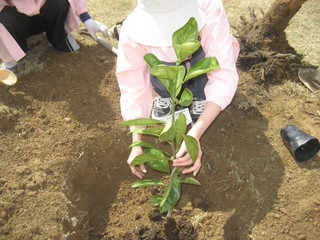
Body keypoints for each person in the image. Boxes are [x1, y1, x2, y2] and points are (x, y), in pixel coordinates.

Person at [116, 0, 240, 179]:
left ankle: (200, 95)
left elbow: (223, 73)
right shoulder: (131, 30)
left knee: (205, 63)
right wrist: (137, 143)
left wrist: (195, 135)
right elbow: (132, 85)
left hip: (200, 58)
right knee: (158, 66)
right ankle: (167, 94)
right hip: (168, 68)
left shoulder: (209, 8)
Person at [0, 0, 108, 71]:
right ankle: (11, 56)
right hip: (14, 16)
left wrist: (87, 19)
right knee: (3, 19)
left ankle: (59, 38)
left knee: (60, 2)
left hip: (44, 10)